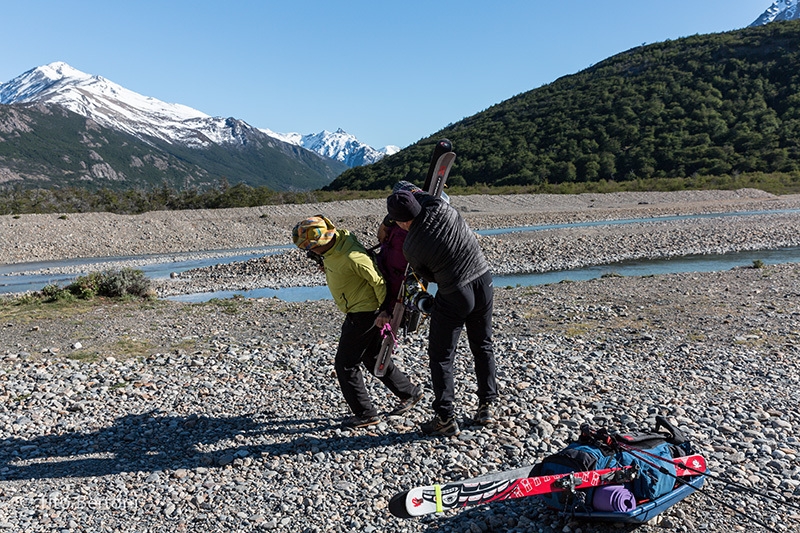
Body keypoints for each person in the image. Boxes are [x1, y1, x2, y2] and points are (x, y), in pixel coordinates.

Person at [292, 215, 423, 429]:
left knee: (345, 364)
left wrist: (384, 311)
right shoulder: (338, 243)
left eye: (311, 247)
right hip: (361, 308)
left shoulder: (352, 257)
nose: (309, 251)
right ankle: (409, 392)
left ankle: (366, 414)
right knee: (372, 357)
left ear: (322, 243)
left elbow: (378, 281)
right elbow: (335, 260)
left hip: (365, 312)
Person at [385, 189, 498, 437]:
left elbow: (428, 277)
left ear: (401, 222)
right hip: (483, 280)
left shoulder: (411, 246)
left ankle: (445, 418)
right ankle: (486, 406)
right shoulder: (440, 206)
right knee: (483, 344)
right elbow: (430, 194)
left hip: (456, 291)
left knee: (442, 356)